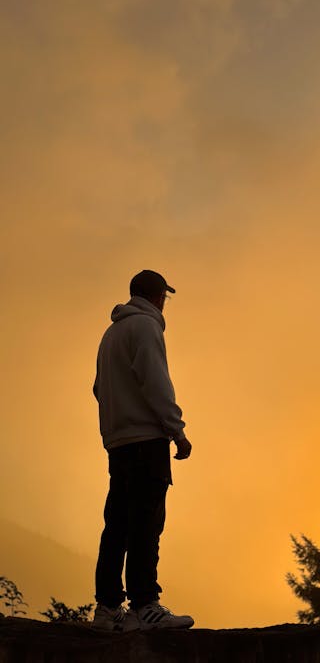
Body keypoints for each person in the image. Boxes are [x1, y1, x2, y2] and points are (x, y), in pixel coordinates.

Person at [91, 269, 194, 631]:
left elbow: (98, 389)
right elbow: (156, 383)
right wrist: (177, 431)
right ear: (158, 297)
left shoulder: (111, 333)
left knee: (116, 525)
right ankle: (145, 605)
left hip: (118, 445)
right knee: (147, 524)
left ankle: (106, 610)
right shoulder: (147, 328)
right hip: (147, 442)